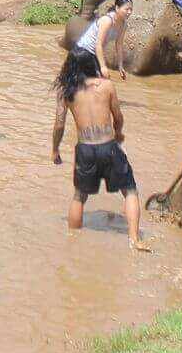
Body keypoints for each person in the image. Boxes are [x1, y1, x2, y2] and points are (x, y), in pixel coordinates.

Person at [50, 45, 149, 249]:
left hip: (85, 149)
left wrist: (55, 149)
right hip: (108, 146)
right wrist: (119, 132)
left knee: (79, 196)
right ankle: (134, 239)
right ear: (92, 65)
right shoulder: (106, 86)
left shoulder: (66, 92)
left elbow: (59, 124)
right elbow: (118, 117)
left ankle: (73, 241)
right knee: (129, 191)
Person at [74, 0, 135, 79]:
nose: (129, 12)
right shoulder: (107, 20)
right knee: (99, 81)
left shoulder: (124, 24)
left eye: (131, 9)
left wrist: (120, 66)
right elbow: (98, 44)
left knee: (100, 81)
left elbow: (119, 45)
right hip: (82, 51)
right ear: (117, 8)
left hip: (94, 54)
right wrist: (103, 67)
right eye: (126, 9)